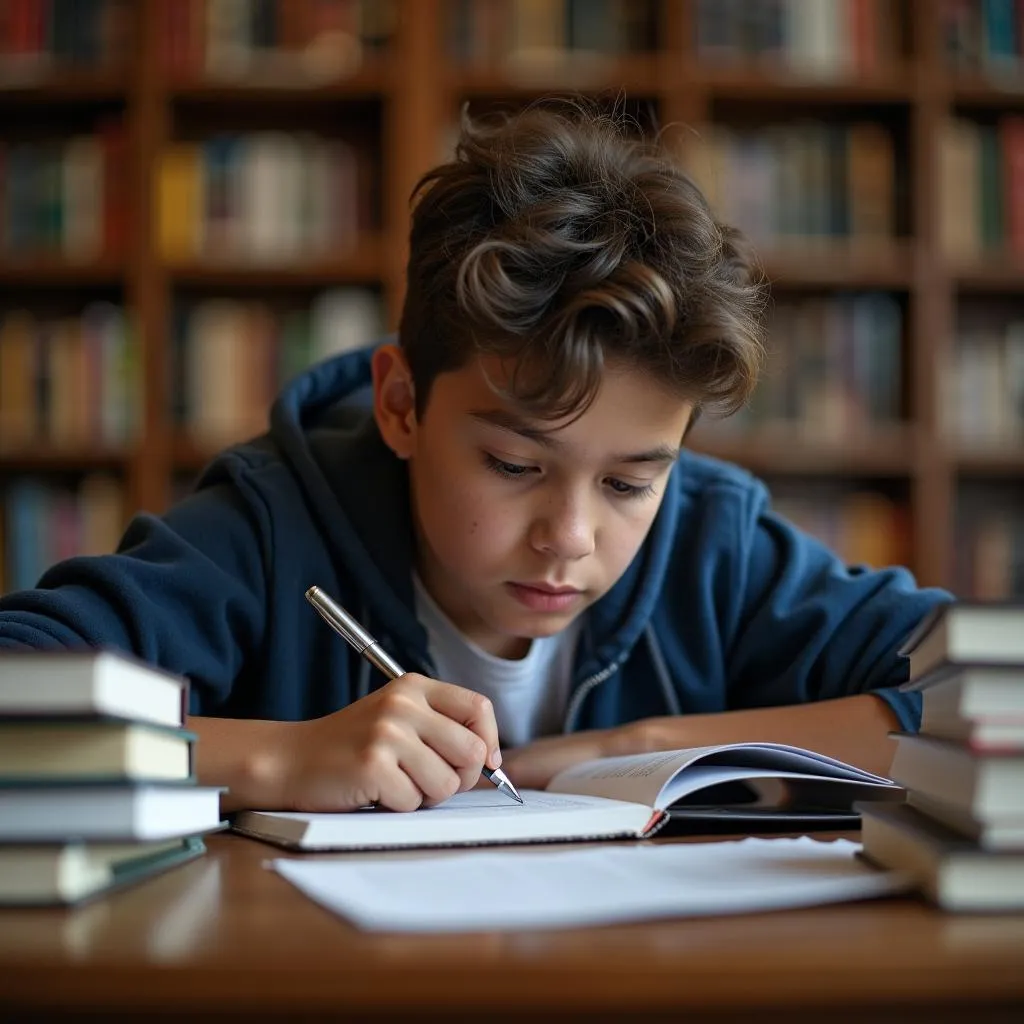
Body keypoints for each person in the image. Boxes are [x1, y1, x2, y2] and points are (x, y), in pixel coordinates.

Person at [0, 100, 950, 813]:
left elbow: (987, 702)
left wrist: (654, 746)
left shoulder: (716, 543)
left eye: (629, 481)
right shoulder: (272, 525)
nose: (569, 539)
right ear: (402, 404)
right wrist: (279, 759)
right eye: (513, 465)